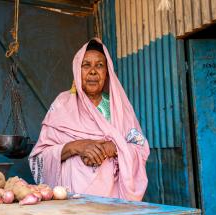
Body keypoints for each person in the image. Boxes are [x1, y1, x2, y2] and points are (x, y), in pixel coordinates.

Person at [29, 38, 149, 201]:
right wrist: (76, 147)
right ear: (77, 71)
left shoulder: (119, 108)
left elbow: (140, 148)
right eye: (86, 65)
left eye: (99, 65)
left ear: (107, 73)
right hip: (70, 203)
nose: (93, 71)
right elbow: (39, 157)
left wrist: (114, 147)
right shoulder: (62, 104)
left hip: (114, 203)